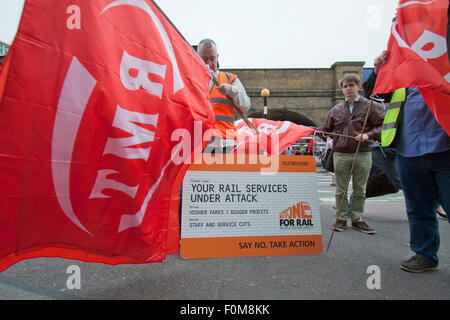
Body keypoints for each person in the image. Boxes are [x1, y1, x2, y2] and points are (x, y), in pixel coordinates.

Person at [364, 50, 450, 273]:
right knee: (418, 207)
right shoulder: (402, 75)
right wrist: (378, 72)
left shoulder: (444, 67)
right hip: (409, 151)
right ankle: (424, 255)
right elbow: (375, 96)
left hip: (444, 149)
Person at [320, 73, 384, 234]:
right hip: (341, 153)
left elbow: (384, 125)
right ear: (342, 89)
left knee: (360, 189)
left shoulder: (370, 106)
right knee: (340, 189)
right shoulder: (336, 110)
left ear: (358, 86)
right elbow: (325, 129)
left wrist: (368, 135)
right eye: (345, 86)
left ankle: (357, 219)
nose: (348, 89)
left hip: (362, 153)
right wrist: (311, 131)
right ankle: (341, 218)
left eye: (351, 85)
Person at [197, 38, 250, 153]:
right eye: (204, 59)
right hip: (197, 141)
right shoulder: (190, 80)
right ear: (197, 58)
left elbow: (245, 105)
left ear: (217, 57)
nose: (209, 64)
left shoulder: (230, 79)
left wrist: (231, 91)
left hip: (225, 142)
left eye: (212, 59)